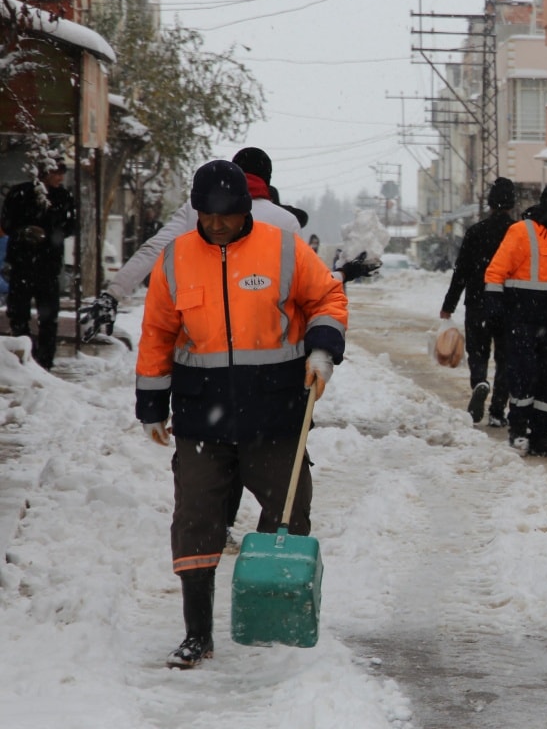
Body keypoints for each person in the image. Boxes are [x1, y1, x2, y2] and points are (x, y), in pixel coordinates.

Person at [134, 160, 347, 669]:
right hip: (200, 415)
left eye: (225, 215)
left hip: (276, 411)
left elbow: (327, 297)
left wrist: (322, 349)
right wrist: (151, 404)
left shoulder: (283, 249)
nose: (216, 224)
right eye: (207, 216)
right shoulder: (176, 258)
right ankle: (197, 634)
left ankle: (277, 617)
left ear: (246, 209)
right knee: (196, 519)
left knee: (288, 515)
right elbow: (158, 333)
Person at [79, 147, 302, 342]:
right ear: (267, 180)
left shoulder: (196, 211)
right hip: (265, 338)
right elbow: (303, 287)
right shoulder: (286, 222)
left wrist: (113, 294)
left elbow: (155, 248)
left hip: (204, 334)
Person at [484, 180, 547, 457]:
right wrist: (494, 309)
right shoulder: (522, 231)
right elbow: (495, 273)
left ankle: (541, 436)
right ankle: (518, 432)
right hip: (523, 320)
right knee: (524, 376)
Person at [441, 177, 517, 426]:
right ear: (512, 203)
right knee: (506, 358)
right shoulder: (518, 233)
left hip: (477, 302)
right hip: (508, 304)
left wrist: (449, 305)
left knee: (478, 352)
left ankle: (480, 382)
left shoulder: (475, 232)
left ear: (490, 203)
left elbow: (461, 272)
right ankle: (497, 411)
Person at [1, 159, 77, 370]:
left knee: (49, 317)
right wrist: (24, 231)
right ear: (44, 172)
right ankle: (21, 357)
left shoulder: (63, 197)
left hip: (48, 265)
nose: (60, 177)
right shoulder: (20, 193)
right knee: (18, 313)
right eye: (56, 172)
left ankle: (45, 360)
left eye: (62, 172)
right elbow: (7, 223)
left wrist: (50, 234)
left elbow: (70, 226)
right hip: (22, 263)